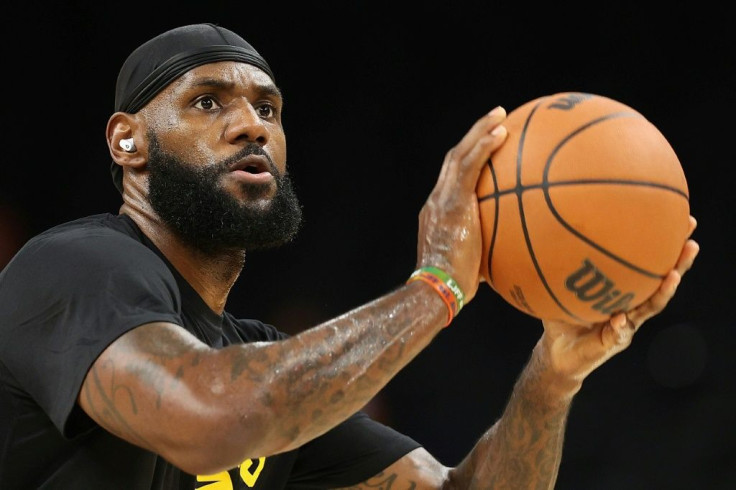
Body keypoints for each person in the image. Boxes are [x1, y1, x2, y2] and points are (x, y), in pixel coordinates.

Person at [0, 23, 699, 489]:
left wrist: (553, 377)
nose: (250, 124)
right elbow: (215, 416)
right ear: (128, 143)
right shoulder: (70, 268)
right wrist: (436, 287)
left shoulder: (268, 367)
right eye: (207, 102)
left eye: (269, 110)